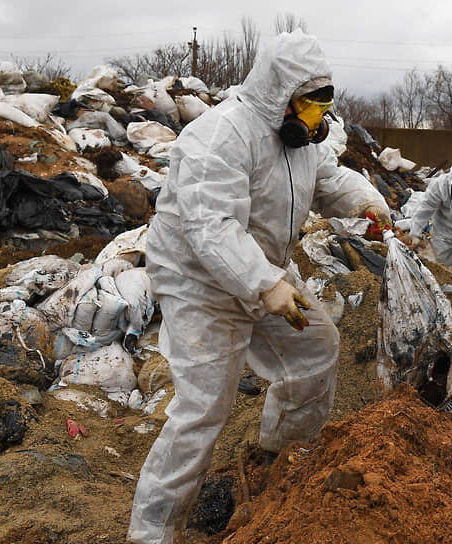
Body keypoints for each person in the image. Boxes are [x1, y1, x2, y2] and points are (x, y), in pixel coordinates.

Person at [128, 30, 391, 544]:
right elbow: (210, 227)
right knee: (204, 408)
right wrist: (265, 284)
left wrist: (367, 203)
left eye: (322, 103)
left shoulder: (301, 141)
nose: (315, 115)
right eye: (307, 102)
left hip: (262, 271)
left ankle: (280, 460)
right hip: (200, 282)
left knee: (315, 349)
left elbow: (327, 179)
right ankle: (153, 533)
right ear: (279, 91)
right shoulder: (220, 135)